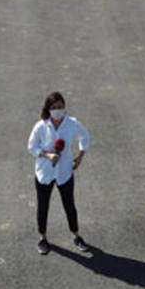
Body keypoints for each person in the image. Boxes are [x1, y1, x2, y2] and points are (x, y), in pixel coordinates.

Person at [27, 91, 90, 255]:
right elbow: (31, 147)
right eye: (54, 107)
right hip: (45, 173)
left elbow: (84, 136)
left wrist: (80, 157)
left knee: (69, 205)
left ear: (64, 107)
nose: (57, 110)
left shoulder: (72, 123)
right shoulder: (41, 126)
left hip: (65, 172)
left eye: (60, 107)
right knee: (43, 206)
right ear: (48, 109)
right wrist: (47, 155)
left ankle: (76, 235)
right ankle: (42, 238)